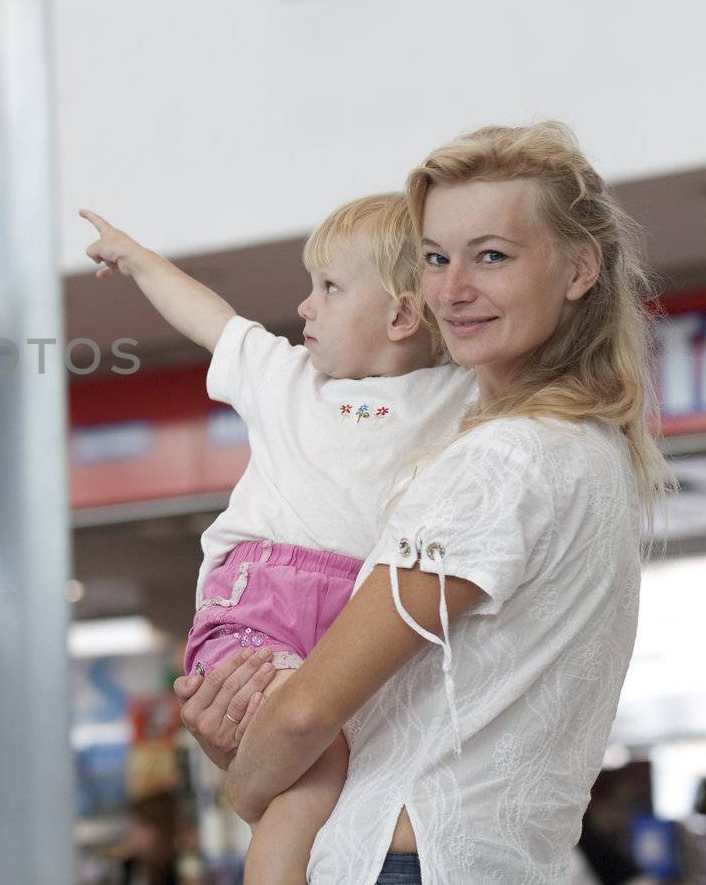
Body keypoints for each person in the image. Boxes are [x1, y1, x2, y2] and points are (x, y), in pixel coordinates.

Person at [174, 122, 672, 883]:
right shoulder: (590, 448)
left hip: (403, 859)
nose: (452, 288)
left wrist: (245, 781)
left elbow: (311, 709)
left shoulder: (505, 460)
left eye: (492, 256)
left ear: (578, 269)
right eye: (437, 257)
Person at [81, 194, 475, 883]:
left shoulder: (458, 394)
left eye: (328, 287)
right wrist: (139, 259)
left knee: (340, 762)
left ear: (402, 315)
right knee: (310, 775)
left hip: (358, 614)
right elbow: (213, 320)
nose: (304, 306)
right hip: (259, 602)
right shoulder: (288, 378)